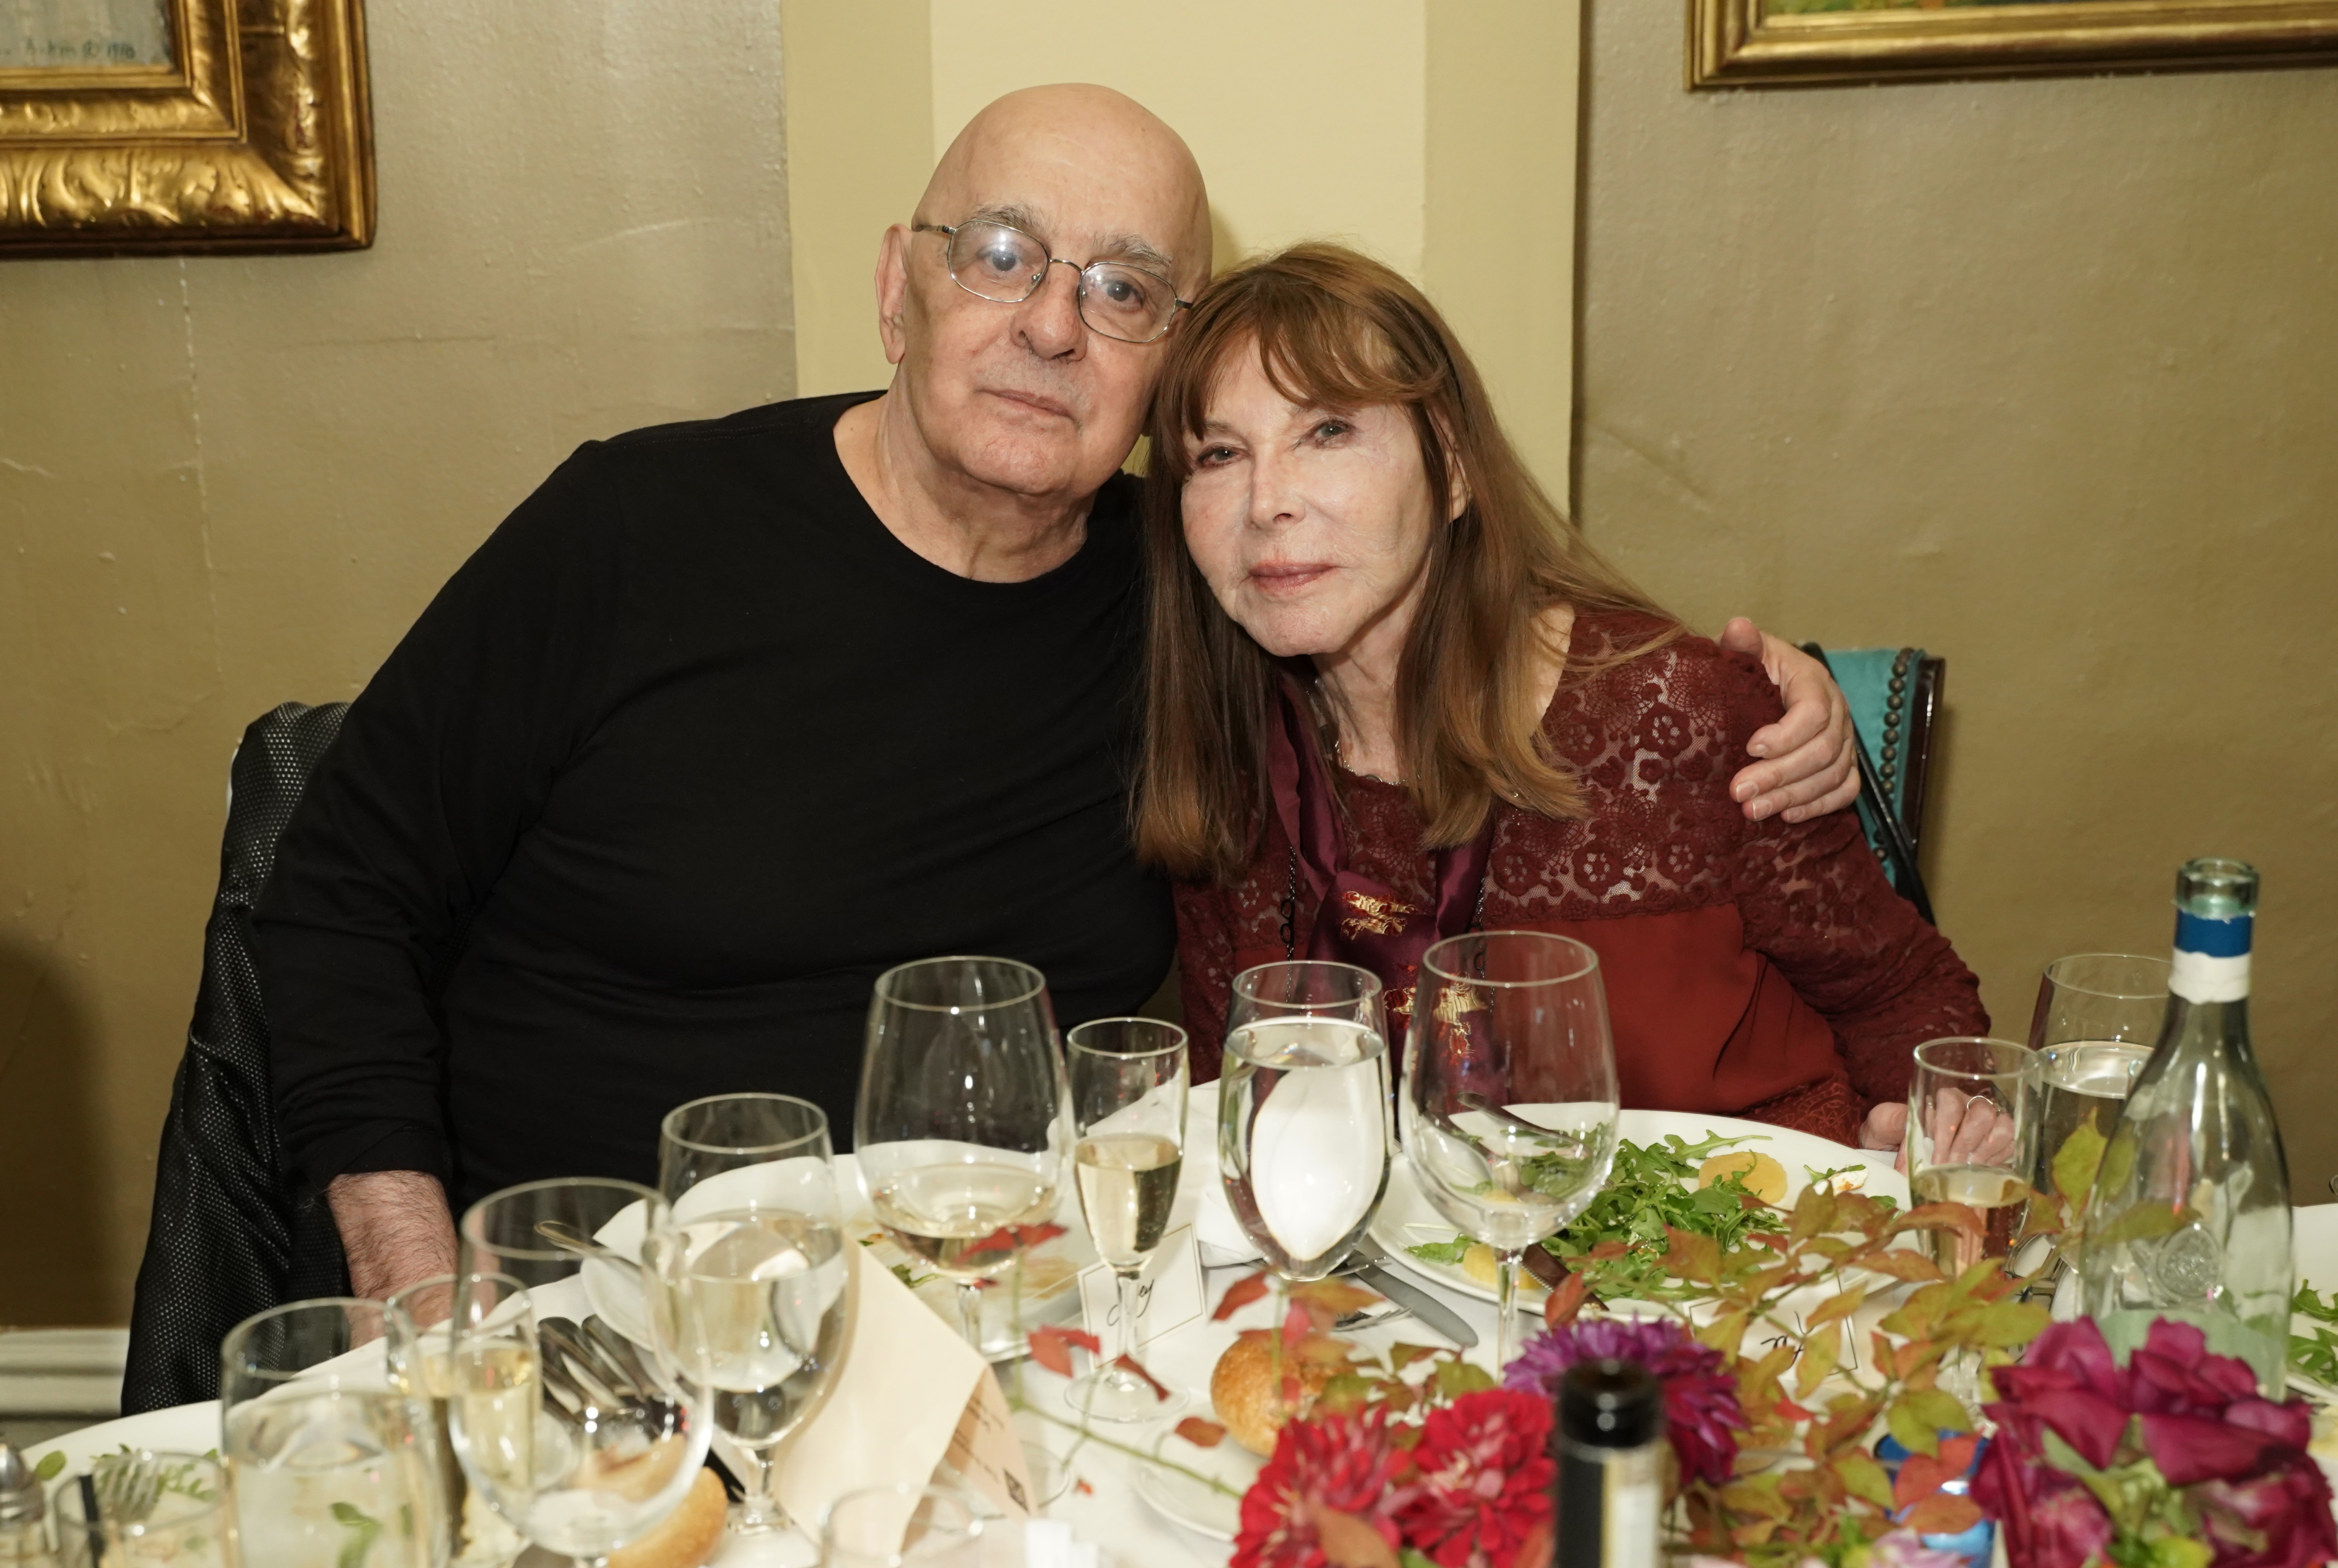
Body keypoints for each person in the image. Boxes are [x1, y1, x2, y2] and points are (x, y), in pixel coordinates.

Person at [256, 87, 1862, 1304]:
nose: (1048, 323)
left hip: (1026, 1318)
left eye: (1123, 288)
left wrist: (1763, 695)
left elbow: (1448, 616)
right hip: (598, 1301)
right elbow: (341, 898)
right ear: (900, 289)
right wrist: (420, 1287)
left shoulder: (1206, 592)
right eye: (1002, 256)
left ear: (1171, 371)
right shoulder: (634, 530)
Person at [1138, 243, 1985, 1146]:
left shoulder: (1683, 716)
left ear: (1452, 468)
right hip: (1433, 1278)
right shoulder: (1229, 763)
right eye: (1221, 453)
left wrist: (1944, 1122)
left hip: (1747, 1253)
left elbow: (1907, 997)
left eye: (1328, 431)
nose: (1268, 500)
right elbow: (1222, 1104)